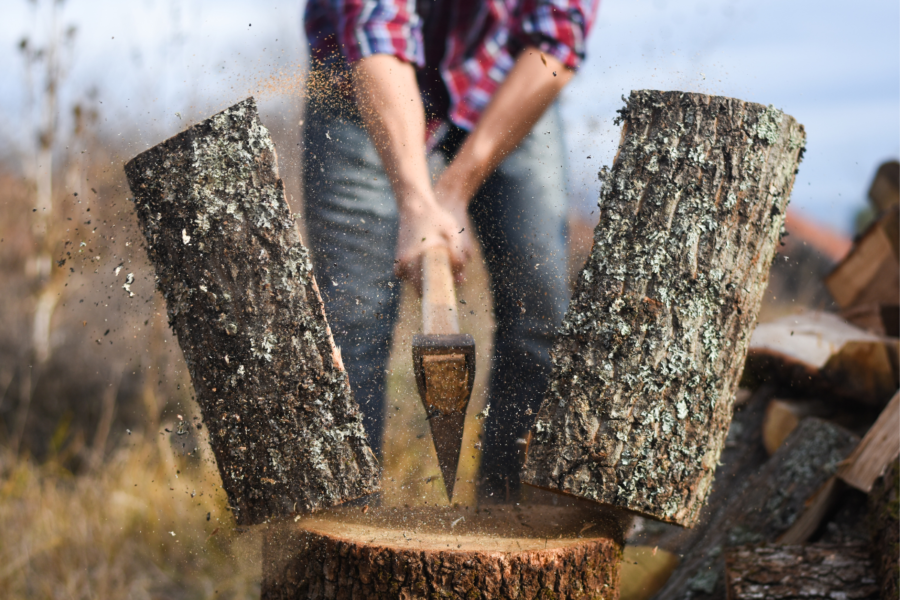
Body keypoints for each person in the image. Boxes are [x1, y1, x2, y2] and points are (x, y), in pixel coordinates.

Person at [302, 0, 599, 503]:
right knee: (347, 324)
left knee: (542, 311)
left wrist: (455, 190)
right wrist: (418, 203)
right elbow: (377, 33)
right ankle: (336, 534)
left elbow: (556, 39)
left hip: (503, 83)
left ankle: (512, 523)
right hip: (360, 82)